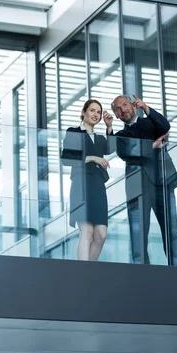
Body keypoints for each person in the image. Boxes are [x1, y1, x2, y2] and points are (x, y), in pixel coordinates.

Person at [105, 95, 177, 266]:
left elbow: (165, 126)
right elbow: (120, 151)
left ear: (133, 106)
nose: (123, 109)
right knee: (138, 232)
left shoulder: (149, 123)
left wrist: (147, 108)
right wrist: (152, 146)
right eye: (118, 109)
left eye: (125, 105)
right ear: (117, 115)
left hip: (162, 180)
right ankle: (141, 273)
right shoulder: (121, 135)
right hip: (137, 185)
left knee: (172, 230)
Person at [61, 99, 114, 261]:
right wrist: (92, 158)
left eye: (98, 112)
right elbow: (66, 159)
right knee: (87, 232)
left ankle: (88, 270)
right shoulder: (74, 131)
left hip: (97, 186)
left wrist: (109, 127)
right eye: (92, 110)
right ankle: (84, 272)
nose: (95, 115)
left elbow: (111, 148)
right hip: (81, 185)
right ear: (83, 112)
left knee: (101, 234)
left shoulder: (98, 138)